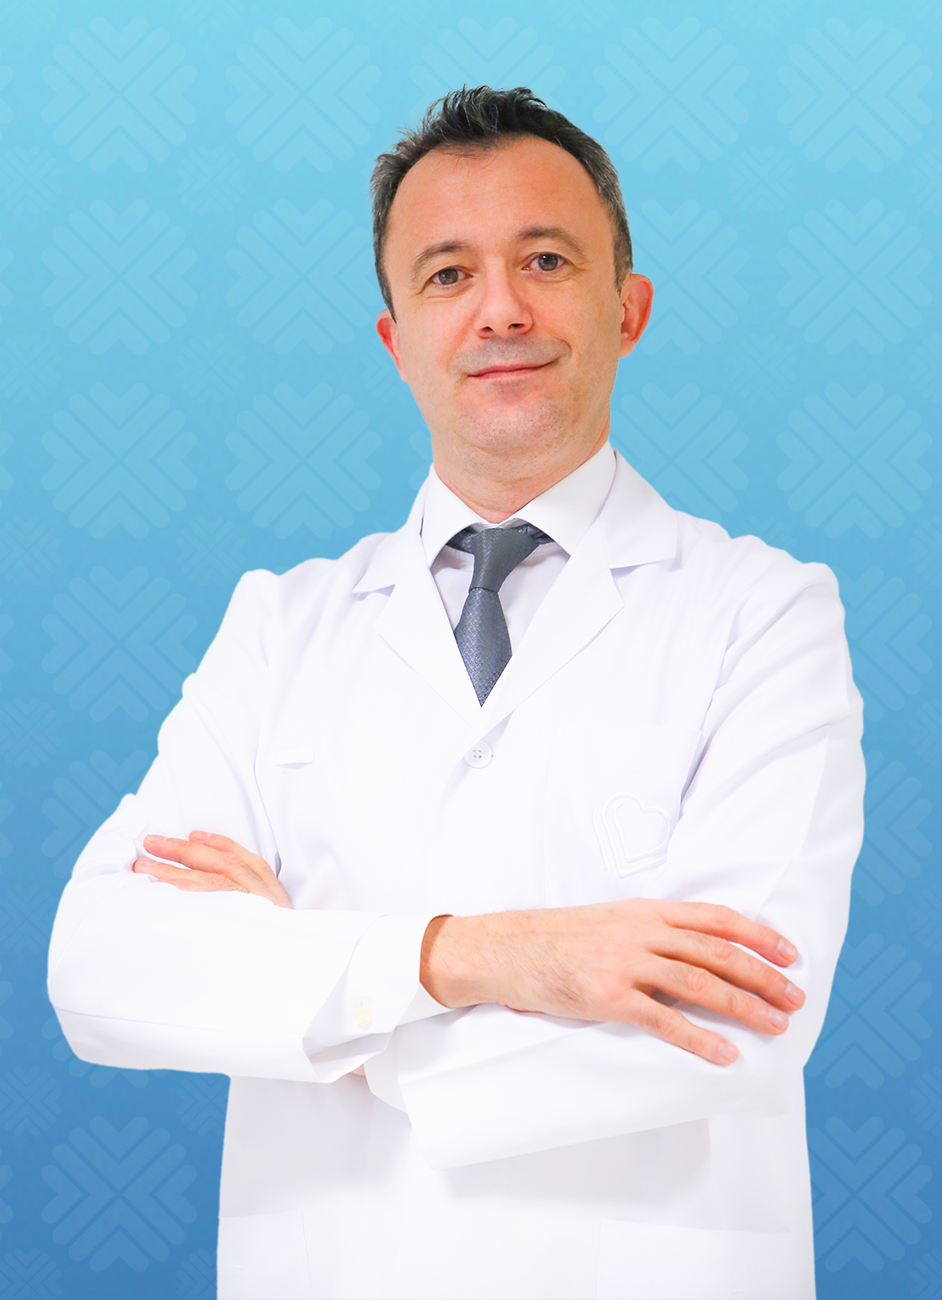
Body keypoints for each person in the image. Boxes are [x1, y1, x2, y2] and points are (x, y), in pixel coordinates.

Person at [48, 87, 864, 1300]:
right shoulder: (281, 626)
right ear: (396, 338)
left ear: (628, 308)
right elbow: (104, 966)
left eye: (546, 260)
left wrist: (324, 1008)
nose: (500, 310)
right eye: (447, 274)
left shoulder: (764, 611)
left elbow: (737, 1019)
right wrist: (469, 956)